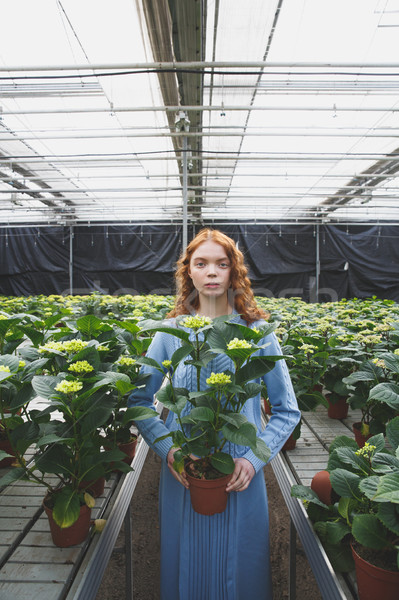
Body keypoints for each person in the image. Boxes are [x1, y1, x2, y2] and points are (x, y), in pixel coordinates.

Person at [128, 228, 300, 600]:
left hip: (241, 475)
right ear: (187, 271)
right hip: (183, 475)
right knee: (184, 569)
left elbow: (287, 411)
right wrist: (169, 452)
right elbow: (139, 401)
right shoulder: (171, 332)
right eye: (201, 263)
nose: (211, 272)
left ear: (233, 272)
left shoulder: (257, 333)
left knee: (243, 571)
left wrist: (254, 459)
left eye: (221, 264)